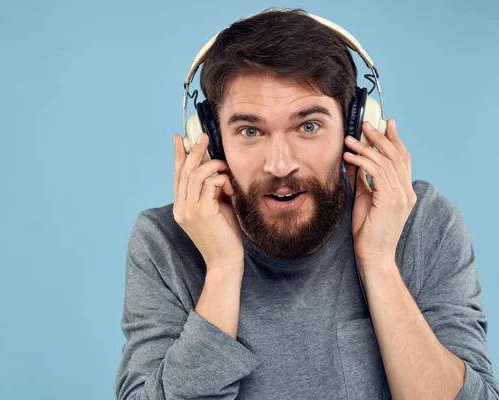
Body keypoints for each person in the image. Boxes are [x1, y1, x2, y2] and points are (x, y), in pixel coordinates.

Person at [114, 8, 499, 399]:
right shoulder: (163, 243)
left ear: (357, 127)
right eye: (250, 131)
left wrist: (379, 261)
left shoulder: (422, 224)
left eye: (308, 126)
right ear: (210, 140)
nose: (280, 164)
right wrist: (223, 270)